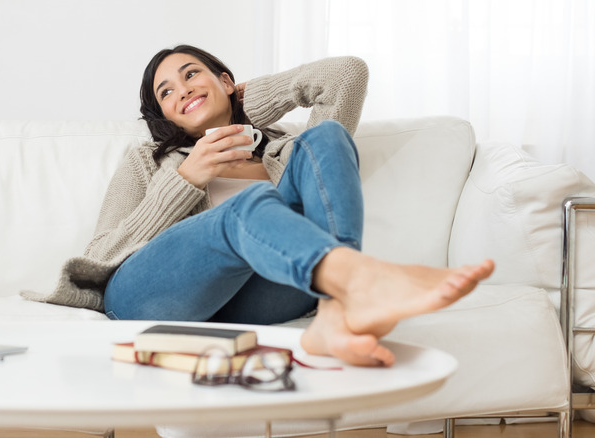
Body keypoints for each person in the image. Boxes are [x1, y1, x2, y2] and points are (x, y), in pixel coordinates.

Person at [24, 45, 494, 366]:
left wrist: (248, 105)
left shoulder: (284, 151)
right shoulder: (149, 161)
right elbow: (105, 249)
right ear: (163, 115)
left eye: (192, 75)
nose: (183, 89)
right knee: (246, 207)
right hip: (148, 295)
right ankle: (360, 285)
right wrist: (188, 178)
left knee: (327, 136)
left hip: (254, 297)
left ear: (226, 81)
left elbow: (346, 74)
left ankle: (337, 308)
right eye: (167, 91)